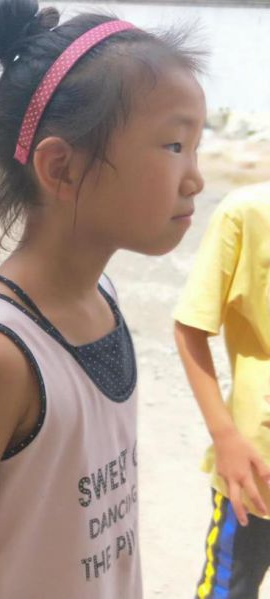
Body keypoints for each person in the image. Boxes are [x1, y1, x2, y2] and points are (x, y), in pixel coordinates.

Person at [0, 0, 206, 597]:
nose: (195, 177)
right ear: (61, 168)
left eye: (196, 147)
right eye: (174, 146)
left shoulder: (103, 298)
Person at [174, 181, 270, 598]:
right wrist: (225, 437)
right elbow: (190, 327)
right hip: (258, 471)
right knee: (229, 589)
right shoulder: (247, 213)